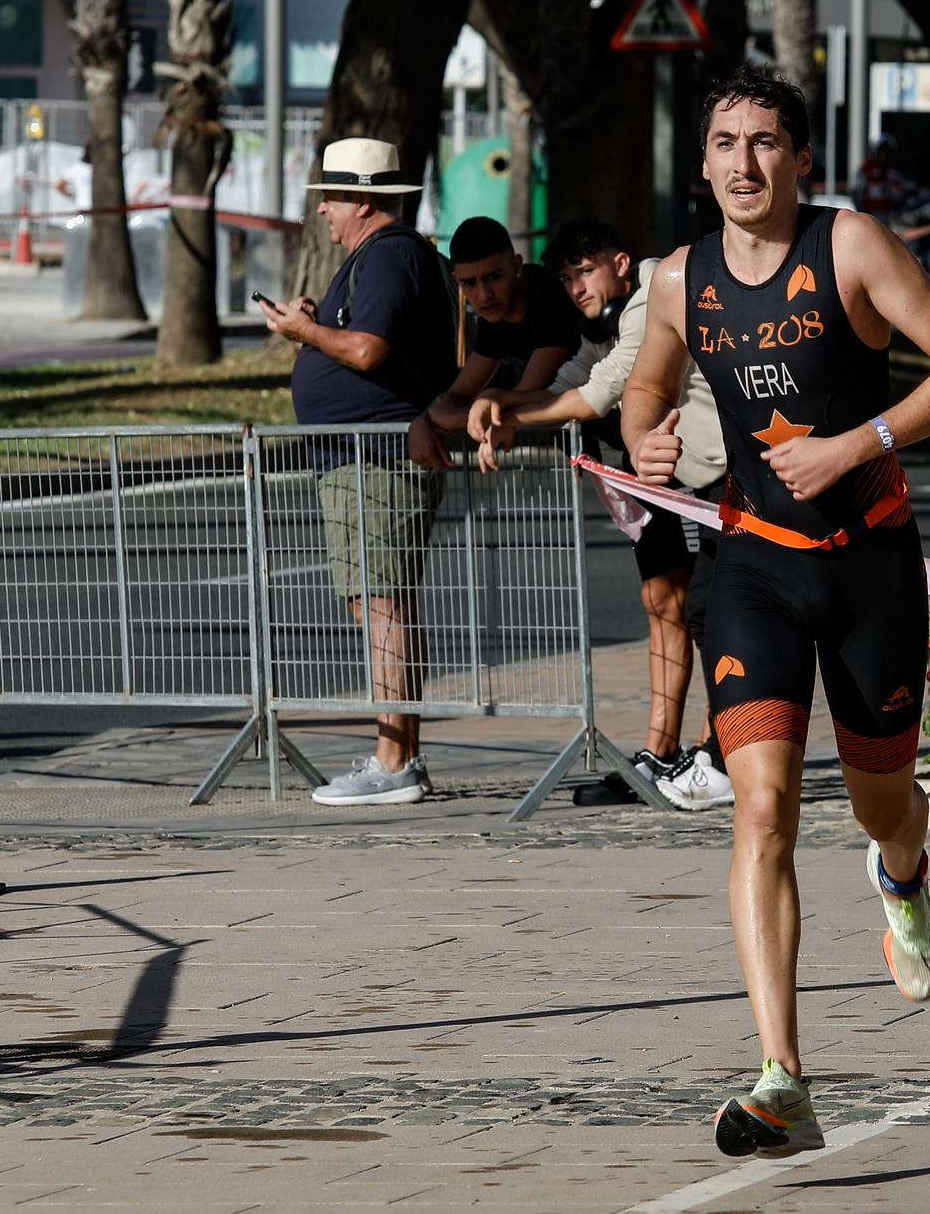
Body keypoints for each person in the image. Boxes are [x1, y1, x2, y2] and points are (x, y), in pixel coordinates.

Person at [621, 64, 930, 1159]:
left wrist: (857, 441)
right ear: (702, 163)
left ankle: (902, 878)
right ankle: (782, 1074)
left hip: (871, 560)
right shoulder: (676, 279)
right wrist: (645, 434)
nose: (744, 163)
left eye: (765, 142)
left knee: (884, 802)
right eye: (726, 143)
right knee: (761, 808)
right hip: (753, 564)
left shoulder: (852, 247)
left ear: (799, 157)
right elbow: (647, 386)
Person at [467, 219, 735, 812]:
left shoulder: (650, 297)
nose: (575, 287)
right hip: (662, 472)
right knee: (666, 604)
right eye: (564, 278)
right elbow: (570, 381)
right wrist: (500, 403)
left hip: (722, 466)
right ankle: (664, 754)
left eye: (584, 272)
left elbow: (600, 394)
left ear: (618, 263)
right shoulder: (596, 319)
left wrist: (509, 416)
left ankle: (721, 754)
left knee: (714, 613)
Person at [261, 137, 456, 808]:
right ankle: (398, 754)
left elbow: (369, 350)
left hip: (375, 458)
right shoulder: (384, 257)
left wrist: (303, 334)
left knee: (382, 602)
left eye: (332, 199)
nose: (323, 213)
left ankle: (393, 761)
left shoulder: (390, 253)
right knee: (377, 600)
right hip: (360, 456)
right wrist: (317, 329)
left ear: (363, 200)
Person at [406, 216, 583, 471]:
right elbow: (457, 396)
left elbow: (521, 400)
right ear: (457, 280)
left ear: (517, 266)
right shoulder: (495, 317)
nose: (483, 294)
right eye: (469, 283)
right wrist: (423, 420)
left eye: (494, 277)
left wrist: (459, 415)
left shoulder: (549, 297)